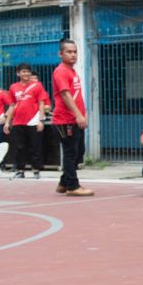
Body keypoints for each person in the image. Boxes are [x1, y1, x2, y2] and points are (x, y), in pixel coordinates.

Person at [52, 40, 93, 196]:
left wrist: (84, 113)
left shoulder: (72, 71)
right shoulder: (61, 71)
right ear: (60, 54)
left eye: (75, 51)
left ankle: (63, 183)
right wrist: (78, 115)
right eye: (69, 52)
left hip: (75, 118)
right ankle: (72, 186)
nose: (73, 54)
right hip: (66, 120)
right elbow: (65, 94)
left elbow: (76, 95)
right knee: (70, 153)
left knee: (79, 152)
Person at [4, 64, 48, 179]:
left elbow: (42, 103)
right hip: (18, 121)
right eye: (23, 72)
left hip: (33, 121)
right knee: (20, 147)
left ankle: (36, 170)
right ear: (18, 73)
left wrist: (41, 120)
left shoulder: (37, 85)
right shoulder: (13, 87)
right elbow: (12, 105)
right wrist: (7, 122)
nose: (26, 74)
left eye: (28, 71)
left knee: (35, 147)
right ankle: (20, 170)